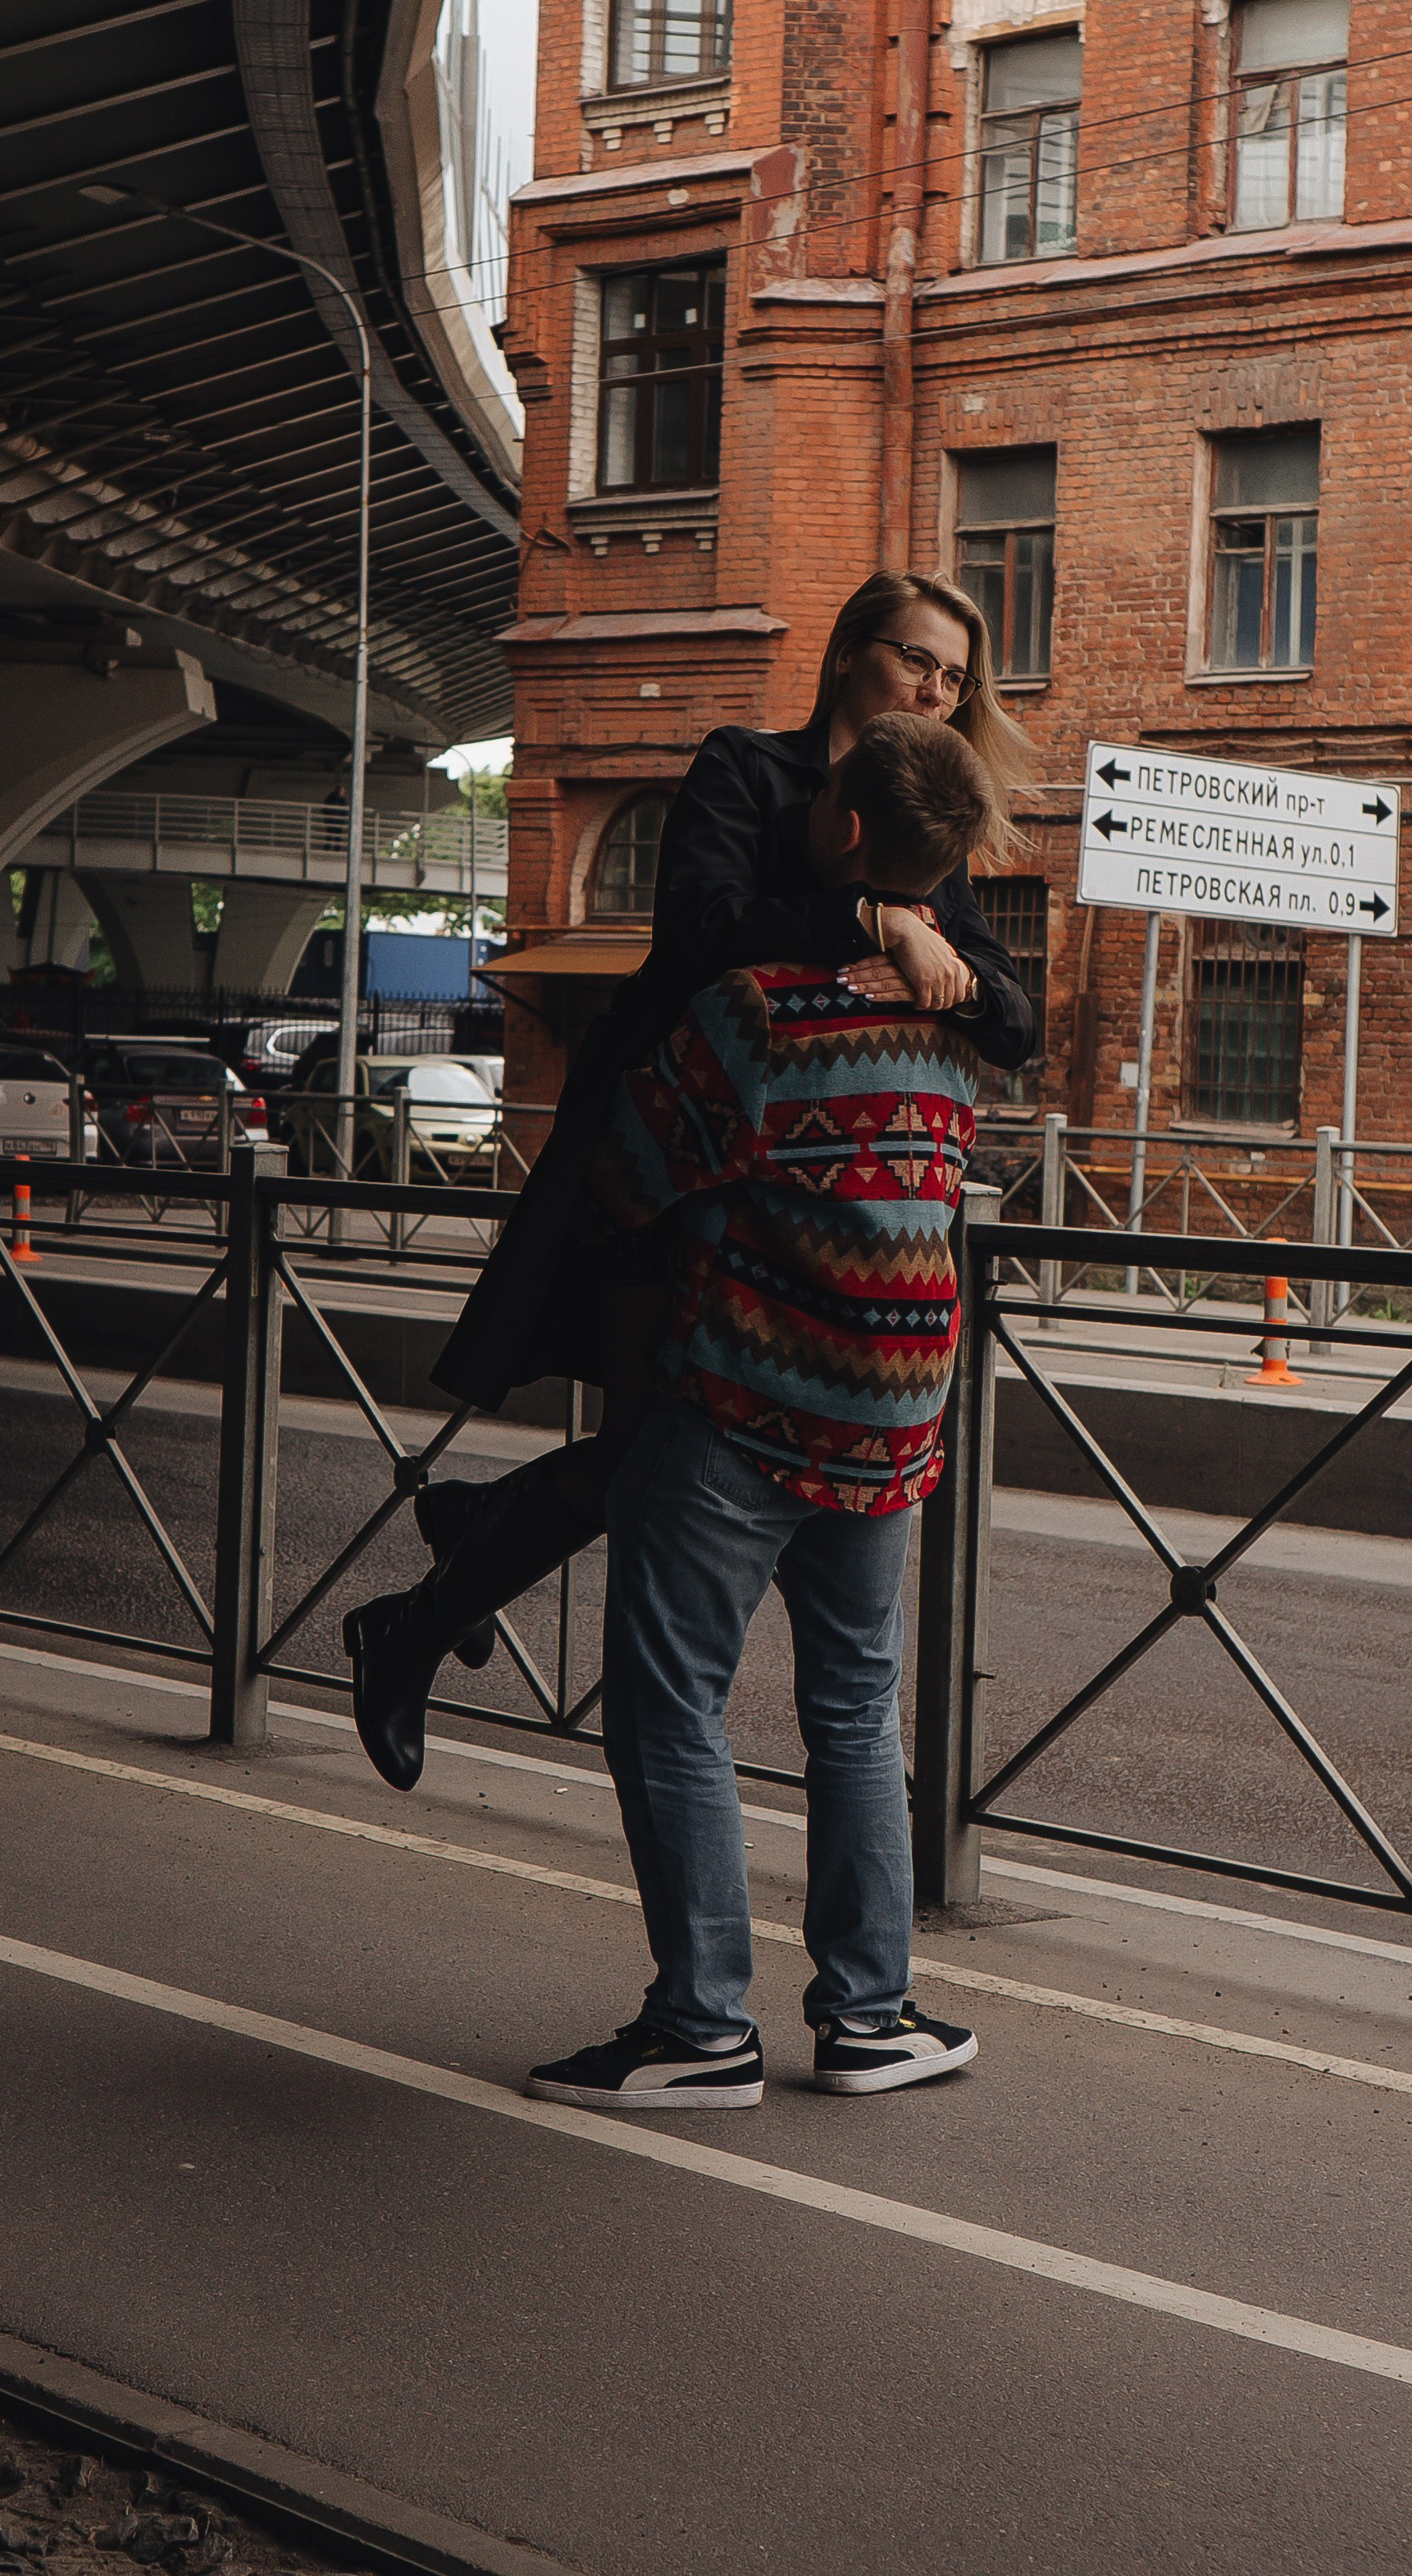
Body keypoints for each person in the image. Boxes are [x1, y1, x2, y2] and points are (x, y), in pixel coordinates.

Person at [344, 569, 1036, 1785]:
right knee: (661, 1452)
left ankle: (442, 1583)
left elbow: (1015, 1017)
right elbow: (699, 935)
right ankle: (435, 1593)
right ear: (846, 657)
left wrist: (950, 966)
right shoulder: (748, 769)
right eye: (917, 661)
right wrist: (876, 927)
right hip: (663, 1170)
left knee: (651, 1461)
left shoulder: (928, 810)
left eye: (955, 676)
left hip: (799, 1223)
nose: (937, 688)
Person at [526, 713, 993, 2109]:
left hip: (748, 1401)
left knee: (672, 1708)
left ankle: (699, 2032)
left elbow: (626, 1176)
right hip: (900, 1411)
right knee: (854, 1711)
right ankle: (870, 2017)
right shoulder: (951, 1019)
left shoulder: (764, 1015)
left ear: (842, 831)